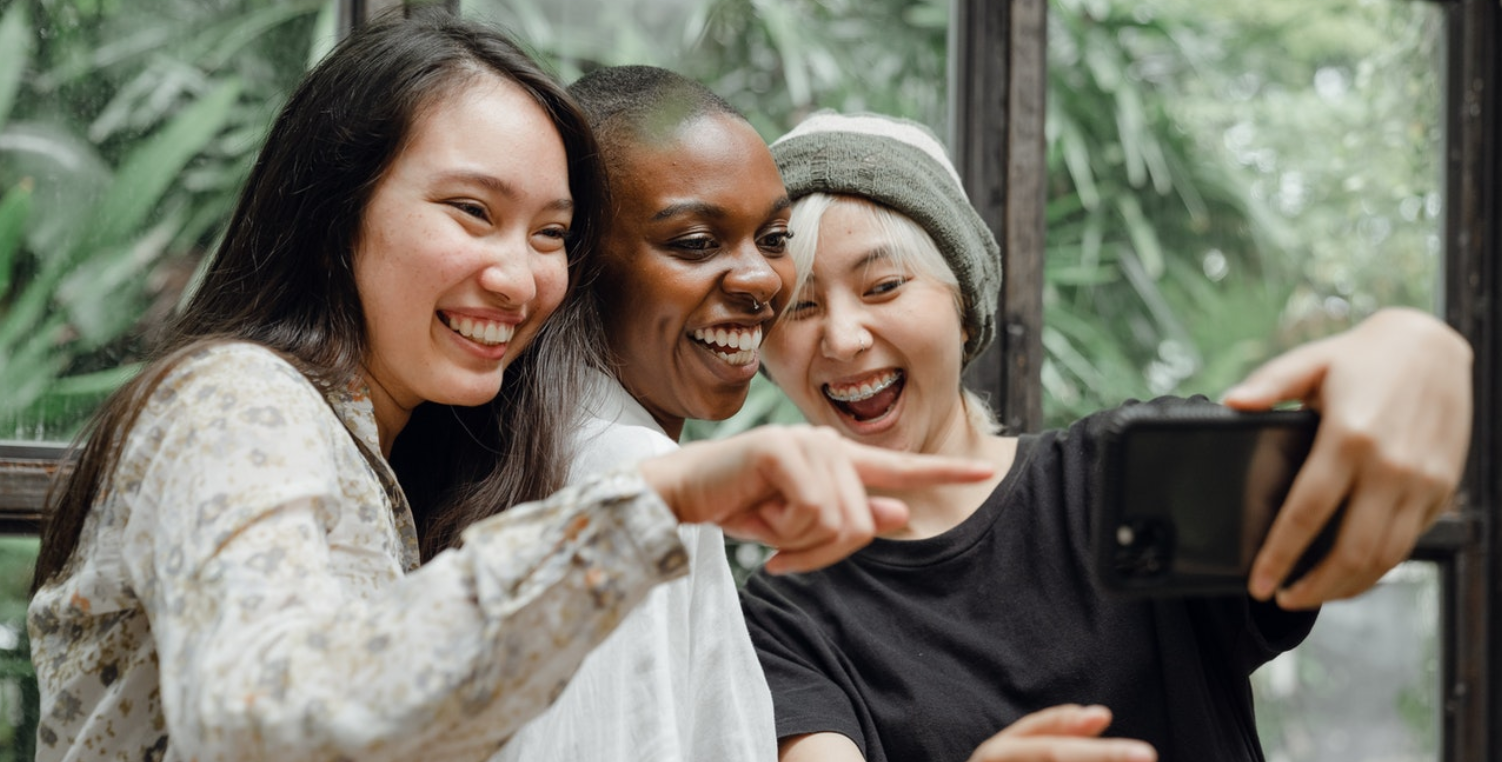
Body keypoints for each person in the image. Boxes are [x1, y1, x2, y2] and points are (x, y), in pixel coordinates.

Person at [25, 17, 994, 761]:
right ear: (336, 215)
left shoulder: (392, 449)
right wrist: (652, 507)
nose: (517, 275)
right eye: (471, 211)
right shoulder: (236, 400)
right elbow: (257, 713)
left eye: (546, 233)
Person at [740, 111, 1472, 762]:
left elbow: (1353, 493)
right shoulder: (786, 612)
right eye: (798, 308)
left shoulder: (1130, 474)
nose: (841, 336)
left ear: (963, 309)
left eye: (884, 286)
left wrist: (1415, 347)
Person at [492, 65, 792, 762]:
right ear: (577, 260)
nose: (761, 278)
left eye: (775, 237)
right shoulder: (636, 482)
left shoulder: (557, 454)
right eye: (695, 243)